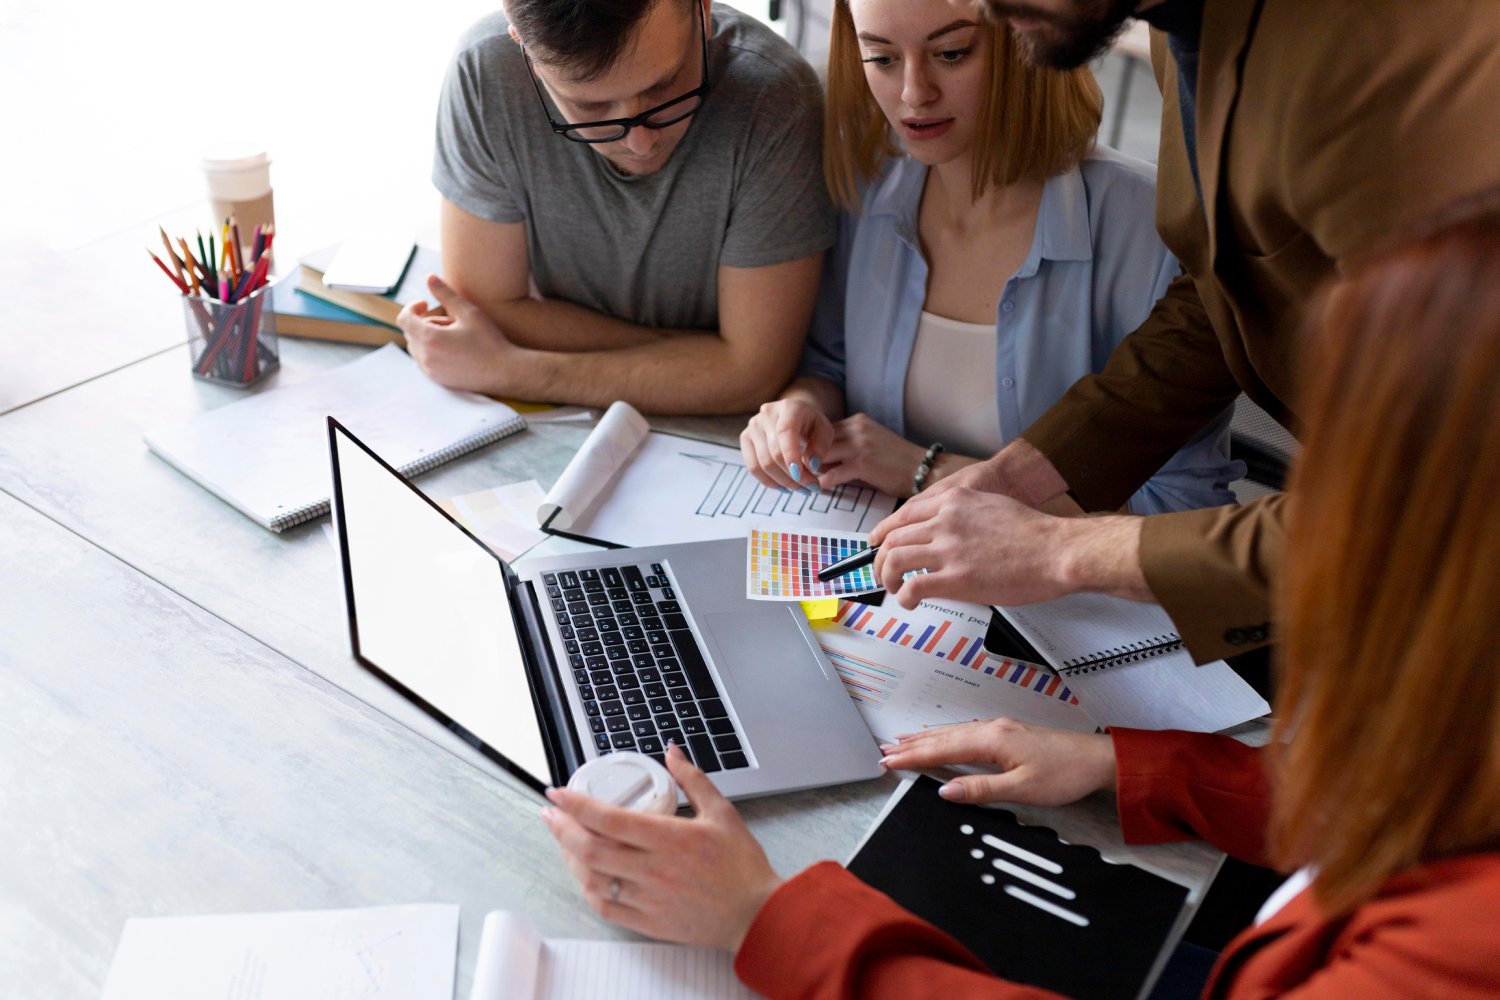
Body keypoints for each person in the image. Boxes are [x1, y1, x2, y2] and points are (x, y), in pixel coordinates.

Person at [539, 198, 1500, 997]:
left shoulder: (1454, 954)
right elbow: (1422, 806)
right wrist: (1128, 767)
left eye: (1349, 495)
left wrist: (765, 916)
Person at [866, 0, 1500, 663]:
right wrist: (1027, 473)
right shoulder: (1184, 21)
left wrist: (1065, 551)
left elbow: (1435, 498)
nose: (976, 6)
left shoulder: (1393, 64)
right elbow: (1224, 290)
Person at [738, 0, 1238, 514]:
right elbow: (831, 363)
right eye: (882, 59)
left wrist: (924, 471)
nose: (913, 94)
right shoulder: (866, 186)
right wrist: (799, 409)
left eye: (951, 54)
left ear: (1026, 39)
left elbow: (1182, 506)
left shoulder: (1152, 228)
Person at [396, 0, 836, 414]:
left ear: (701, 9)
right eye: (591, 107)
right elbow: (488, 307)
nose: (640, 142)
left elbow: (753, 376)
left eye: (665, 87)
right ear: (524, 50)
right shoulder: (484, 71)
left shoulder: (774, 96)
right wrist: (704, 359)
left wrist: (509, 369)